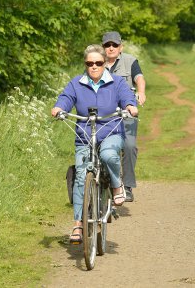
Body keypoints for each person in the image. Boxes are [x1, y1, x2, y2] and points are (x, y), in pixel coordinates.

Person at [51, 44, 138, 244]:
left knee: (108, 155)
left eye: (98, 63)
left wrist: (130, 106)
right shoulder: (76, 83)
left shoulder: (116, 83)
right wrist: (59, 107)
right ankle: (78, 225)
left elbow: (127, 96)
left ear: (105, 63)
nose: (94, 67)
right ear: (85, 64)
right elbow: (66, 98)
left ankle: (117, 186)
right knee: (81, 175)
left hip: (110, 131)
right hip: (84, 134)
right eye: (90, 63)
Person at [101, 31, 146, 203]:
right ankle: (100, 180)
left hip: (126, 112)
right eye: (107, 45)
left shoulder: (130, 60)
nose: (111, 48)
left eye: (114, 45)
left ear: (121, 47)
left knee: (129, 145)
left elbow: (139, 78)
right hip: (104, 114)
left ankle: (126, 186)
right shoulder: (96, 62)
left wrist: (141, 92)